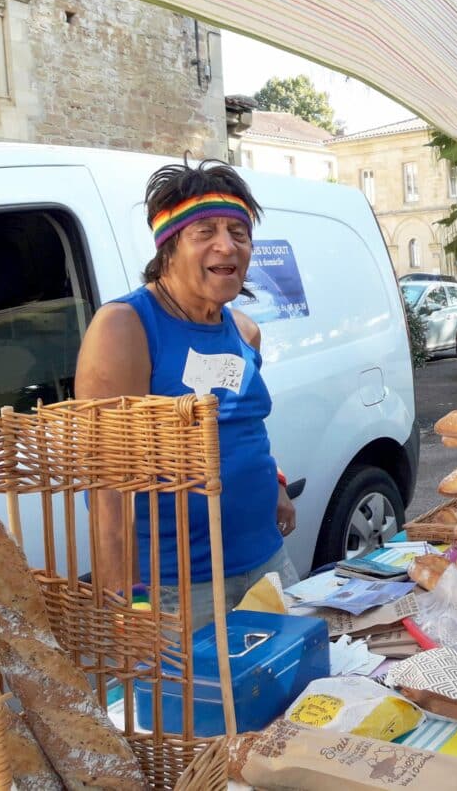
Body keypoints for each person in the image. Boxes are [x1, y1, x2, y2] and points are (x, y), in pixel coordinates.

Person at [75, 158, 297, 629]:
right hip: (178, 588)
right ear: (168, 248)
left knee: (291, 692)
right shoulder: (126, 327)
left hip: (265, 562)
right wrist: (126, 604)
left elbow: (242, 423)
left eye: (239, 232)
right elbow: (105, 479)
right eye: (206, 232)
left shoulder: (244, 330)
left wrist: (275, 482)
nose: (228, 245)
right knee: (194, 704)